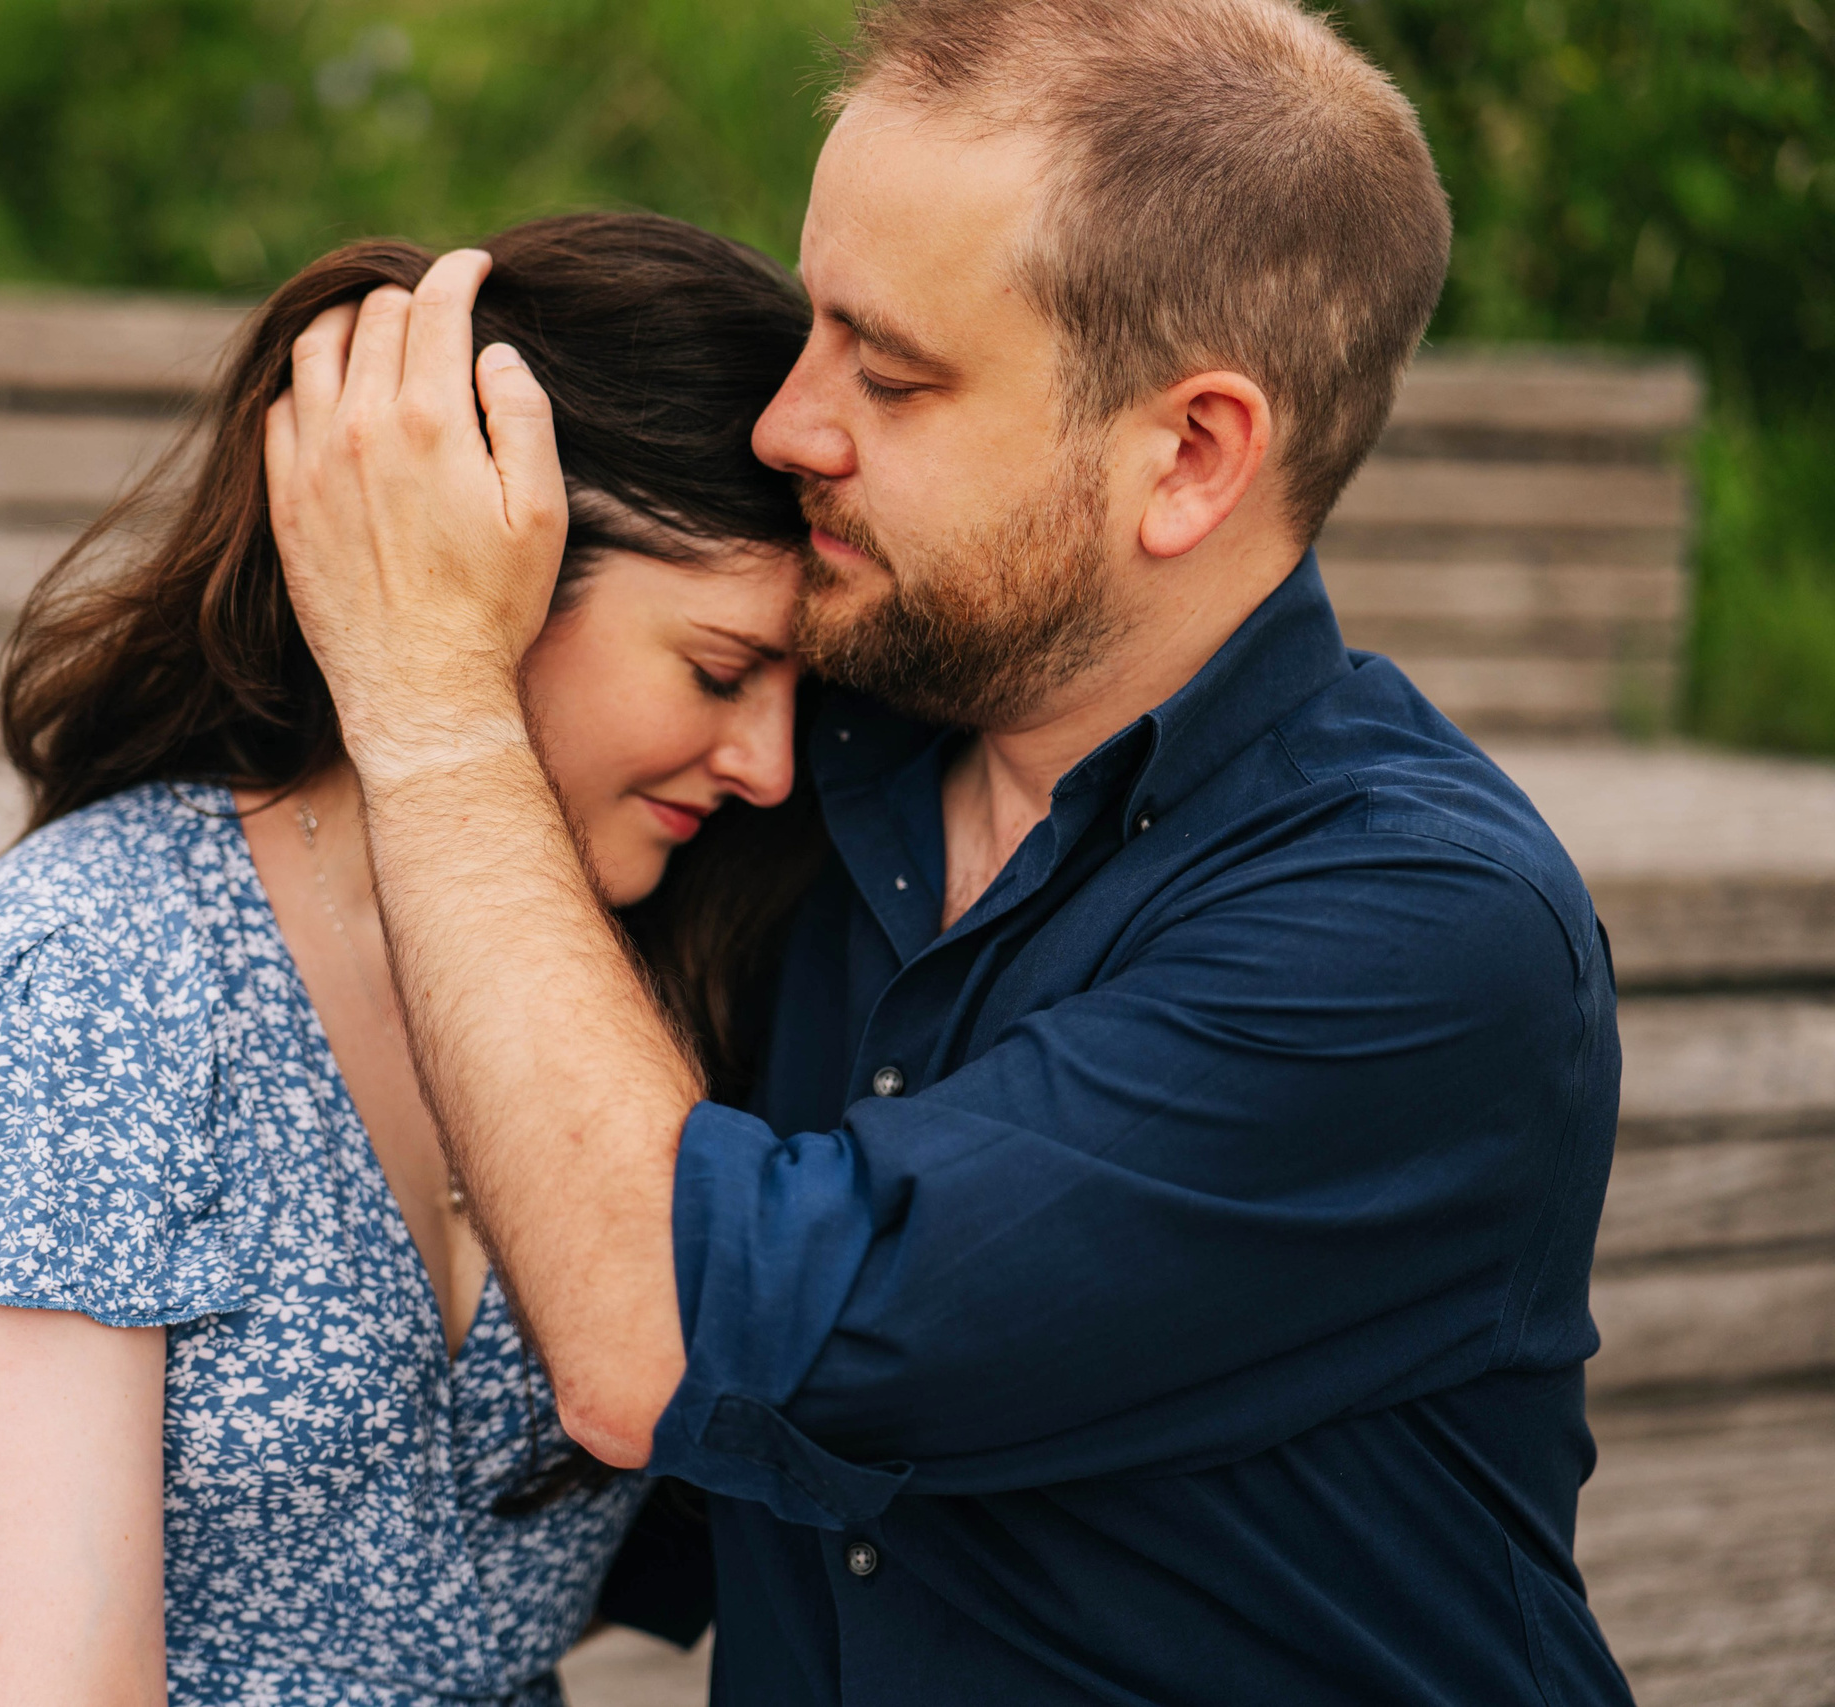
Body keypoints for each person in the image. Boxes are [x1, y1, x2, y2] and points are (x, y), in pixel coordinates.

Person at [264, 1, 1635, 1703]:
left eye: (890, 373)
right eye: (815, 323)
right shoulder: (803, 767)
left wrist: (428, 693)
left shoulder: (1419, 937)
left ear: (1190, 457)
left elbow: (665, 1337)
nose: (790, 425)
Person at [0, 211, 826, 1707]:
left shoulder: (669, 973)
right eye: (720, 669)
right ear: (476, 570)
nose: (770, 762)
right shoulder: (92, 974)